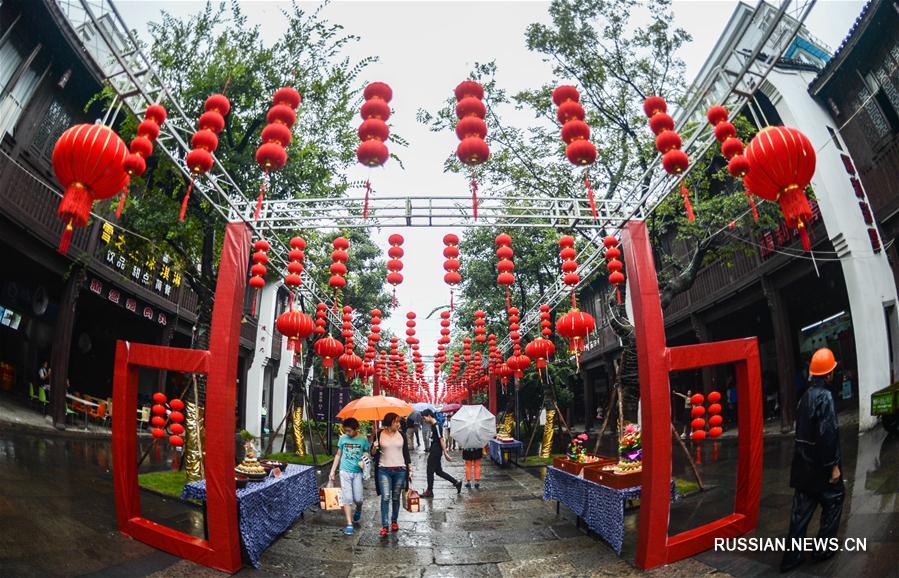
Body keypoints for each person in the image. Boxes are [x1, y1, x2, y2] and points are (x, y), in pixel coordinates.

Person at [780, 348, 844, 573]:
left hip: (803, 468)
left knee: (800, 514)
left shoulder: (804, 397)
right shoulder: (825, 397)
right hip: (820, 468)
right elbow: (827, 434)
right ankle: (823, 549)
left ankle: (791, 558)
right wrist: (833, 466)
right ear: (828, 374)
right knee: (834, 501)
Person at [328, 418, 370, 535]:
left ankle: (359, 508)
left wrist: (365, 458)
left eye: (349, 431)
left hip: (358, 473)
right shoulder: (343, 439)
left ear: (356, 429)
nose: (347, 433)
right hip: (344, 471)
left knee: (358, 499)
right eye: (345, 430)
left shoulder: (363, 439)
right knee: (347, 498)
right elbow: (338, 455)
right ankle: (349, 524)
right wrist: (332, 472)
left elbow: (367, 453)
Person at [372, 412, 411, 536]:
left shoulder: (402, 435)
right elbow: (373, 453)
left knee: (395, 497)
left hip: (400, 470)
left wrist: (410, 469)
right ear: (389, 422)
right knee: (385, 497)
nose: (398, 424)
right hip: (383, 470)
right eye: (396, 422)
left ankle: (394, 521)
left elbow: (406, 453)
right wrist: (374, 447)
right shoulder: (379, 435)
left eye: (399, 421)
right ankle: (384, 525)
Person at [420, 409, 461, 497]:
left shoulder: (437, 425)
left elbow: (441, 439)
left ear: (429, 416)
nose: (424, 420)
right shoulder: (432, 425)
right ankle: (456, 482)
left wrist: (445, 453)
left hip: (436, 451)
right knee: (438, 471)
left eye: (424, 418)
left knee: (429, 470)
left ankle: (429, 491)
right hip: (434, 450)